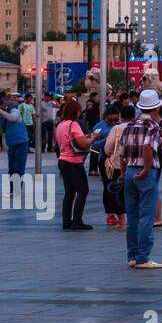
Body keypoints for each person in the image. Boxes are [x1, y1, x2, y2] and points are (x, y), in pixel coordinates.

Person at [121, 89, 162, 269]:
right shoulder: (153, 126)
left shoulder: (129, 125)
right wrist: (147, 168)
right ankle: (143, 257)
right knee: (146, 216)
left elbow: (122, 153)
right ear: (156, 108)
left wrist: (123, 173)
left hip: (129, 172)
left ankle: (132, 256)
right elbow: (149, 148)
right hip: (145, 172)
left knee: (132, 216)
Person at [55, 98, 94, 230]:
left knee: (69, 193)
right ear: (75, 111)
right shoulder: (73, 124)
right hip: (73, 161)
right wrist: (93, 137)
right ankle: (77, 221)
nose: (80, 113)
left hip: (63, 160)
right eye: (78, 111)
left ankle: (67, 221)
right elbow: (83, 143)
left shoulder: (60, 125)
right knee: (83, 190)